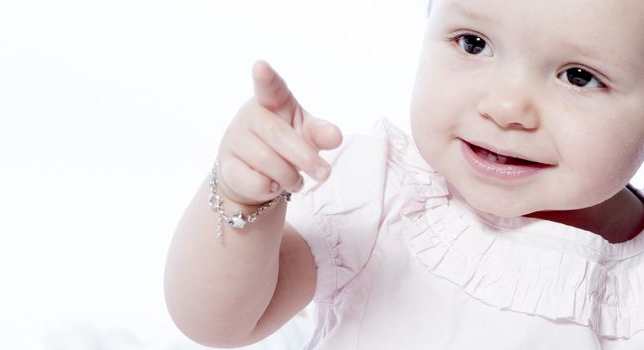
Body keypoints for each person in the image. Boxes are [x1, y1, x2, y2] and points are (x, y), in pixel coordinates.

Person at [164, 0, 644, 348]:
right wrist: (243, 200)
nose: (505, 108)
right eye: (473, 44)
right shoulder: (384, 198)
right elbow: (219, 322)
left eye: (578, 76)